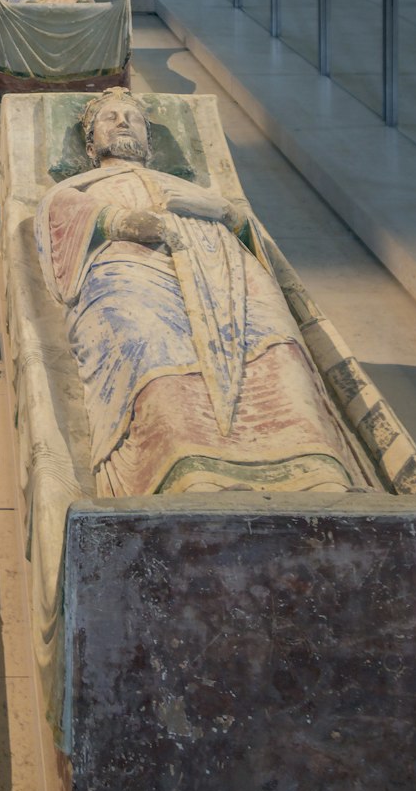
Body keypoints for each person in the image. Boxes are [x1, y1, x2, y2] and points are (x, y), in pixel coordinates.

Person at [34, 89, 370, 496]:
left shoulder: (191, 189)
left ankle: (313, 471)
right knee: (147, 340)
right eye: (110, 117)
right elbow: (57, 217)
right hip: (130, 269)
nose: (123, 122)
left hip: (221, 269)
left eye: (133, 118)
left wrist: (225, 212)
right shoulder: (80, 187)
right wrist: (121, 220)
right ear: (91, 145)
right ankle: (190, 471)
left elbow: (249, 234)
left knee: (276, 341)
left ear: (149, 141)